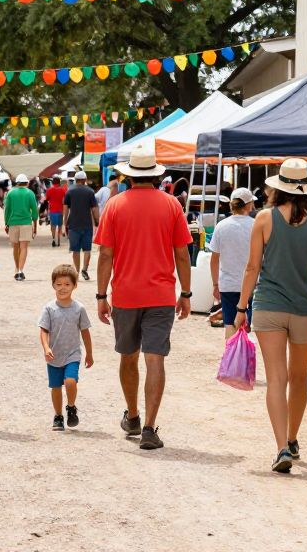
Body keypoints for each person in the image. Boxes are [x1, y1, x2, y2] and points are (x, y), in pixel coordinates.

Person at [95, 144, 193, 451]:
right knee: (155, 359)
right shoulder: (172, 205)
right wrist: (186, 293)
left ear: (128, 176)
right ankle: (150, 427)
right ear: (154, 175)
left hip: (125, 294)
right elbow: (181, 254)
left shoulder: (114, 205)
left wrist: (101, 294)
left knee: (128, 356)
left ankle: (134, 416)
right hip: (162, 294)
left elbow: (105, 254)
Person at [235, 158, 307, 473]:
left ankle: (281, 448)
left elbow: (252, 267)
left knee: (276, 378)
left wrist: (241, 307)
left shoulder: (263, 218)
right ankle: (293, 437)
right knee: (299, 377)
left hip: (269, 305)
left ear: (278, 186)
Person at [39, 264, 94, 431]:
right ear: (53, 285)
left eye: (67, 284)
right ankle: (58, 416)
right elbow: (43, 330)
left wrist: (89, 354)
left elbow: (85, 332)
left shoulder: (79, 309)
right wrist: (46, 348)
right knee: (55, 387)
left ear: (75, 286)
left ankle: (71, 407)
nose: (63, 288)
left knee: (70, 381)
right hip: (54, 355)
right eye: (59, 284)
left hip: (73, 354)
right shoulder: (49, 308)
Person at [209, 187, 256, 339]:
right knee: (248, 324)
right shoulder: (255, 225)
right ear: (249, 205)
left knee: (230, 323)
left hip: (228, 284)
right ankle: (245, 357)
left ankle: (231, 358)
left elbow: (214, 259)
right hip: (252, 284)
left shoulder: (221, 226)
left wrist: (215, 284)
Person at [63, 171, 99, 280]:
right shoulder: (90, 192)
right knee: (87, 249)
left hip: (73, 224)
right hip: (87, 224)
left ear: (75, 179)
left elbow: (66, 208)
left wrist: (65, 222)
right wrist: (97, 220)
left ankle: (77, 271)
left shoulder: (69, 191)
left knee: (75, 250)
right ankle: (85, 269)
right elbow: (94, 208)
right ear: (85, 180)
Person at [4, 174, 38, 281]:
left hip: (13, 223)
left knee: (15, 247)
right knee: (24, 248)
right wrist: (35, 225)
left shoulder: (10, 193)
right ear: (27, 183)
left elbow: (7, 210)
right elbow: (34, 210)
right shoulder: (30, 193)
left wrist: (6, 223)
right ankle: (20, 271)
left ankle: (16, 268)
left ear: (17, 183)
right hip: (26, 223)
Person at [45, 176, 68, 248]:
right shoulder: (63, 190)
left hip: (52, 210)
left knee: (53, 226)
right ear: (59, 182)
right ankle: (58, 240)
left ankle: (53, 239)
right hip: (60, 210)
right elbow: (65, 199)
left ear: (52, 182)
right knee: (60, 225)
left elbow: (47, 199)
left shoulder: (49, 190)